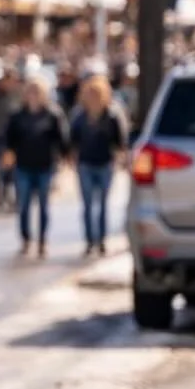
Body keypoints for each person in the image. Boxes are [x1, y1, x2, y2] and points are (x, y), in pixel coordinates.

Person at [2, 76, 69, 257]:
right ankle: (25, 238)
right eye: (30, 92)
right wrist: (8, 154)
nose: (33, 96)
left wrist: (66, 158)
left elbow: (61, 140)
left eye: (37, 92)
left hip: (45, 166)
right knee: (23, 205)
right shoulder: (17, 116)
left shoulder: (52, 115)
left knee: (43, 206)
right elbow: (9, 139)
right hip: (23, 166)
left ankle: (42, 240)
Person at [69, 75, 127, 256]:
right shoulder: (80, 115)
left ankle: (101, 240)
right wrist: (71, 157)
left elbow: (120, 139)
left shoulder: (112, 114)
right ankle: (89, 240)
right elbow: (73, 139)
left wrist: (122, 157)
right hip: (85, 163)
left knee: (102, 204)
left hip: (105, 163)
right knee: (87, 205)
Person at [0, 66, 23, 212]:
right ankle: (2, 199)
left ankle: (17, 200)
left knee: (15, 173)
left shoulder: (19, 97)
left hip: (16, 142)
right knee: (1, 172)